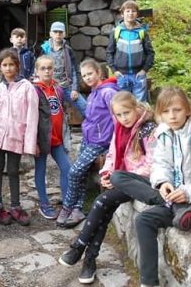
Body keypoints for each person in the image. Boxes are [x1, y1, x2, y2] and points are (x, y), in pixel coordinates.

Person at [109, 86, 191, 287]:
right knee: (133, 203)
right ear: (159, 113)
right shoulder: (164, 131)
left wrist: (187, 193)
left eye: (177, 110)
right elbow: (161, 165)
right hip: (177, 195)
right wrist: (163, 183)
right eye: (165, 111)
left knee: (147, 216)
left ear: (187, 109)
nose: (171, 116)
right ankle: (149, 283)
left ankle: (179, 208)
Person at [58, 91, 156, 284]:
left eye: (127, 113)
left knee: (102, 201)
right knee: (105, 207)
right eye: (119, 115)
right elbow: (112, 155)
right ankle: (89, 259)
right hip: (123, 178)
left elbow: (152, 164)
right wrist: (107, 174)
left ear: (136, 108)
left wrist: (122, 177)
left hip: (143, 181)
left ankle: (79, 247)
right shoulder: (119, 128)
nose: (123, 118)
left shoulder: (148, 129)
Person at [57, 60, 118, 228]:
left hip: (100, 142)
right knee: (81, 173)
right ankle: (77, 209)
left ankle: (67, 207)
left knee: (74, 172)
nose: (87, 78)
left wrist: (112, 145)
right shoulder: (93, 94)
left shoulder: (108, 92)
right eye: (84, 76)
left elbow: (117, 119)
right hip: (88, 139)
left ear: (99, 72)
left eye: (90, 73)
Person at [0, 49, 39, 226]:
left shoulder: (26, 87)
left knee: (13, 170)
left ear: (17, 66)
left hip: (16, 136)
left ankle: (16, 206)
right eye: (4, 65)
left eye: (11, 64)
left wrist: (30, 142)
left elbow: (32, 115)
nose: (8, 68)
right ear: (0, 67)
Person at [32, 55, 72, 220]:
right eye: (43, 68)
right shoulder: (34, 90)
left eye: (50, 68)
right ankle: (44, 204)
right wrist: (34, 142)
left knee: (67, 168)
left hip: (57, 139)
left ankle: (67, 203)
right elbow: (31, 117)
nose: (47, 71)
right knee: (41, 170)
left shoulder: (58, 90)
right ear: (37, 71)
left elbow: (62, 111)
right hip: (42, 139)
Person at [106, 0, 155, 102]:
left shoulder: (142, 32)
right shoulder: (116, 31)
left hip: (138, 75)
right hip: (121, 75)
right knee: (123, 104)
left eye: (133, 11)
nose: (130, 14)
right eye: (127, 11)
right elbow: (109, 52)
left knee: (140, 105)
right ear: (122, 14)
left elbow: (150, 53)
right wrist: (115, 71)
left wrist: (144, 70)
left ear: (137, 14)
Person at [40, 21, 86, 117]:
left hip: (67, 87)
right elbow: (39, 68)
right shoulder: (44, 49)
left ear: (64, 34)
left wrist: (75, 89)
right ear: (50, 33)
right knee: (54, 114)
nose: (58, 34)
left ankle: (94, 125)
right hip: (50, 87)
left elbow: (74, 70)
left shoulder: (68, 50)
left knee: (85, 107)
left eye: (60, 32)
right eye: (55, 32)